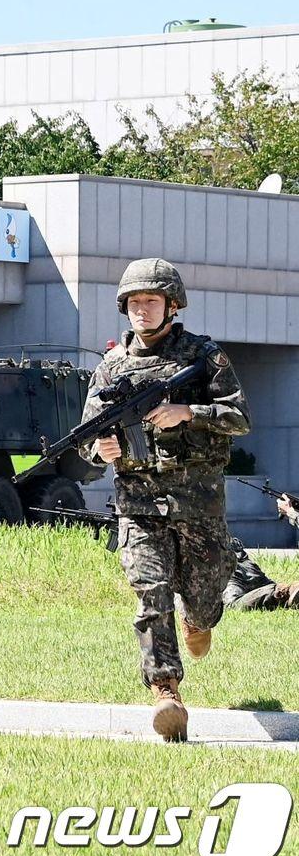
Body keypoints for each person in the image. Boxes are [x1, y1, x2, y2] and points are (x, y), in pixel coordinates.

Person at [82, 258, 249, 742]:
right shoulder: (111, 367)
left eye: (150, 301)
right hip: (138, 506)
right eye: (133, 302)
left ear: (171, 305)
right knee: (150, 594)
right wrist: (99, 448)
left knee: (203, 594)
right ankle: (166, 692)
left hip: (198, 504)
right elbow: (86, 440)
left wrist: (187, 412)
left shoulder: (205, 357)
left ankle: (201, 618)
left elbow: (239, 417)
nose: (141, 310)